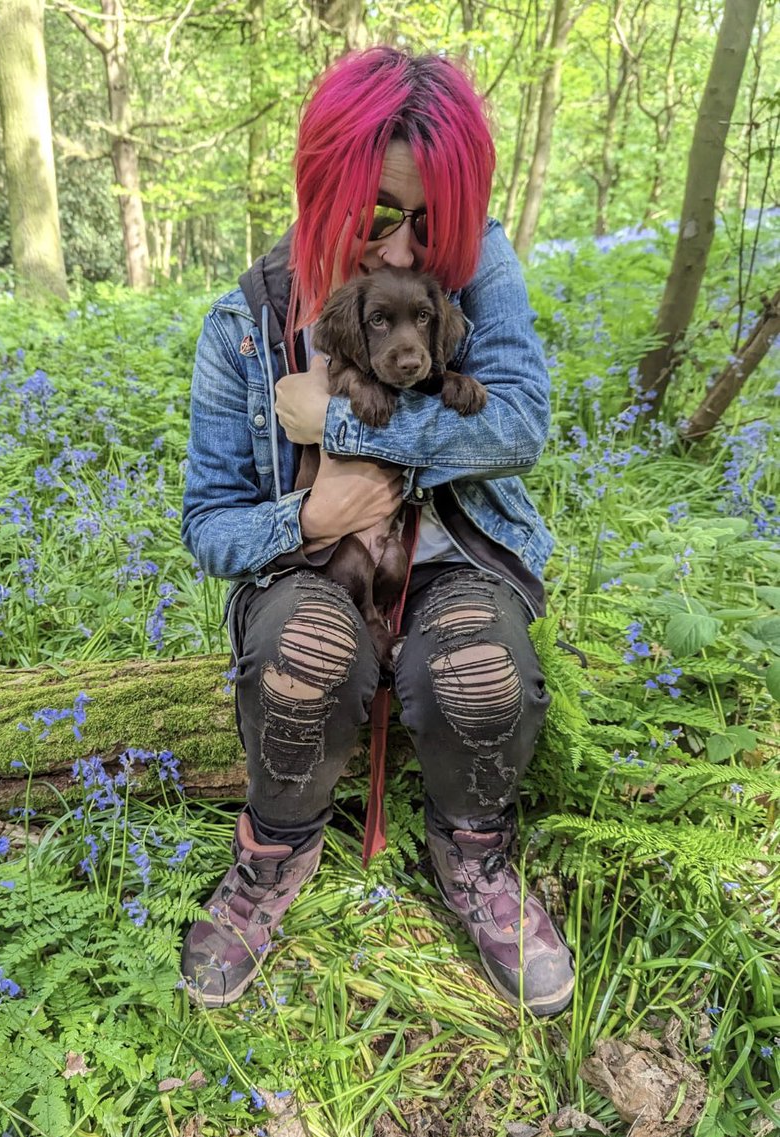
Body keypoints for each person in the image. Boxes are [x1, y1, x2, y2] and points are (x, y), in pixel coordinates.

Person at [180, 47, 575, 1016]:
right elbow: (209, 523)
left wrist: (340, 425)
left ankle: (474, 853)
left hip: (456, 560)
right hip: (322, 563)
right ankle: (275, 853)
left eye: (432, 224)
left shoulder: (478, 266)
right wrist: (310, 514)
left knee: (478, 673)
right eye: (377, 219)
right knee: (302, 653)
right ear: (324, 192)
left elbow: (519, 424)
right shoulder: (242, 324)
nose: (405, 252)